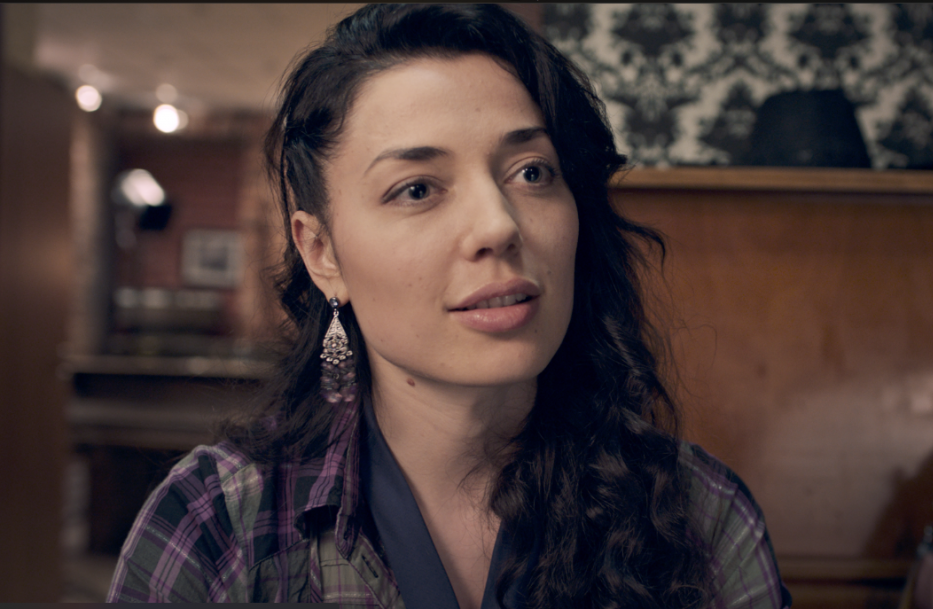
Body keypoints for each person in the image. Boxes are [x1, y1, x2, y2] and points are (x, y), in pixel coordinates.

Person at [107, 5, 790, 608]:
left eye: (531, 172)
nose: (498, 225)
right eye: (417, 189)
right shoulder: (216, 523)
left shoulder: (702, 518)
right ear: (323, 253)